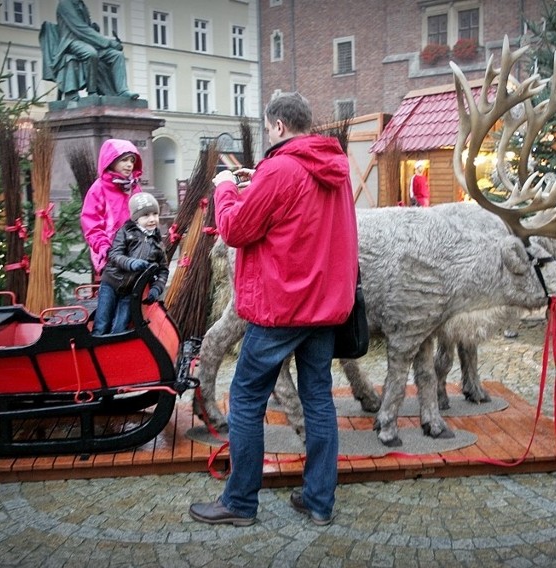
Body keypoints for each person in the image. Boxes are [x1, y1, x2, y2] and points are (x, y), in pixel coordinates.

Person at [188, 92, 358, 527]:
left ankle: (240, 502)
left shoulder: (280, 168)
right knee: (318, 397)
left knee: (245, 398)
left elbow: (235, 228)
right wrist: (255, 182)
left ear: (279, 126)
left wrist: (227, 188)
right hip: (324, 307)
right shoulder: (335, 167)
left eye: (268, 128)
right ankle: (319, 501)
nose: (269, 134)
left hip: (282, 307)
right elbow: (295, 218)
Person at [93, 193, 168, 335]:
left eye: (155, 214)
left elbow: (163, 270)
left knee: (120, 327)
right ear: (136, 218)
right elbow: (114, 255)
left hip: (131, 291)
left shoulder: (158, 243)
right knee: (102, 323)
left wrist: (157, 288)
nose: (152, 219)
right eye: (146, 216)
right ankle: (96, 350)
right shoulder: (125, 232)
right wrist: (131, 263)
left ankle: (115, 353)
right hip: (111, 283)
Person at [40, 0, 138, 101]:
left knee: (116, 55)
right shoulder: (65, 3)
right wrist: (108, 43)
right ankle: (92, 91)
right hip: (71, 41)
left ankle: (122, 91)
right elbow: (79, 28)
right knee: (91, 53)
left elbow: (86, 27)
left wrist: (94, 29)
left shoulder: (81, 4)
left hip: (87, 41)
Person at [81, 139, 143, 277]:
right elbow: (91, 224)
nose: (129, 165)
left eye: (132, 161)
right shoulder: (99, 188)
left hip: (135, 250)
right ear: (111, 160)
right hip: (111, 254)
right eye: (124, 160)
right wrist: (104, 247)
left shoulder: (134, 187)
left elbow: (143, 215)